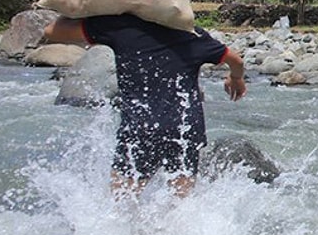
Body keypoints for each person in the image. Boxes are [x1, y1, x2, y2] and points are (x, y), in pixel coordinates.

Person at [42, 14, 247, 198]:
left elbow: (51, 31)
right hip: (184, 127)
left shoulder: (119, 26)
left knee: (122, 201)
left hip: (142, 126)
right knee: (180, 204)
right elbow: (235, 60)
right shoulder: (192, 34)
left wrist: (78, 9)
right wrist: (235, 79)